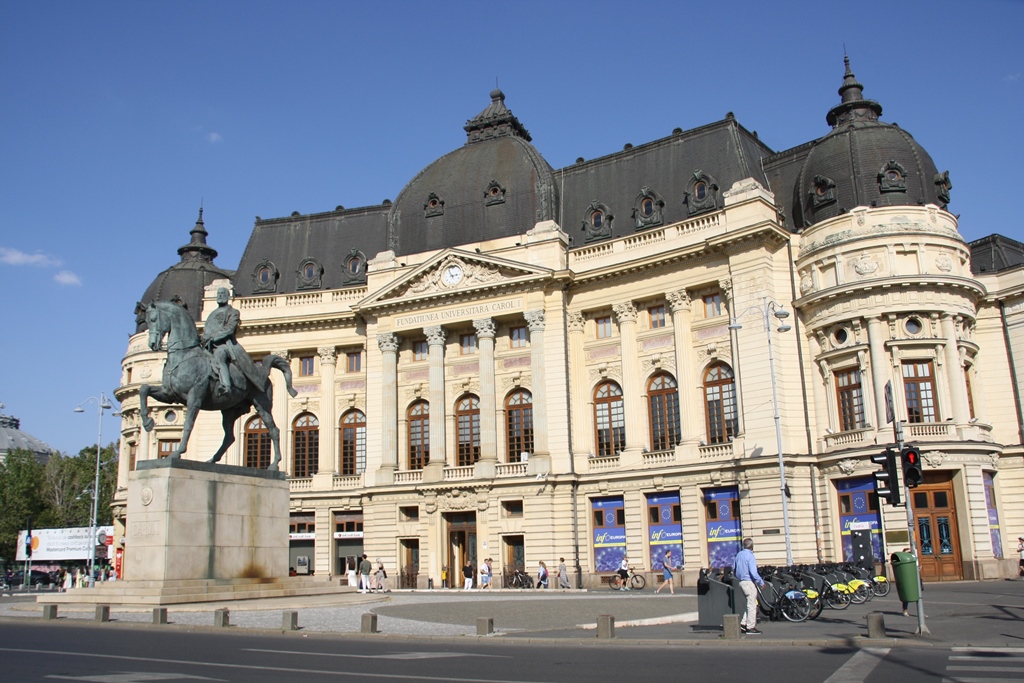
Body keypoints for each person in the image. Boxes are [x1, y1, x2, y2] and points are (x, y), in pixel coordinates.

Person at [201, 286, 265, 395]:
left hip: (224, 345)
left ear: (228, 297)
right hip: (208, 346)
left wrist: (213, 337)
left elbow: (229, 329)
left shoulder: (233, 312)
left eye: (223, 294)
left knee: (219, 356)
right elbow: (207, 330)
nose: (220, 296)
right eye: (219, 294)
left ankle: (225, 385)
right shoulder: (212, 314)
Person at [732, 538, 765, 635]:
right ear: (752, 546)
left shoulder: (739, 554)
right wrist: (761, 582)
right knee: (752, 605)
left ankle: (743, 624)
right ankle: (750, 627)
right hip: (749, 582)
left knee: (749, 603)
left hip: (741, 582)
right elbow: (753, 572)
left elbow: (734, 568)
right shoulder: (750, 555)